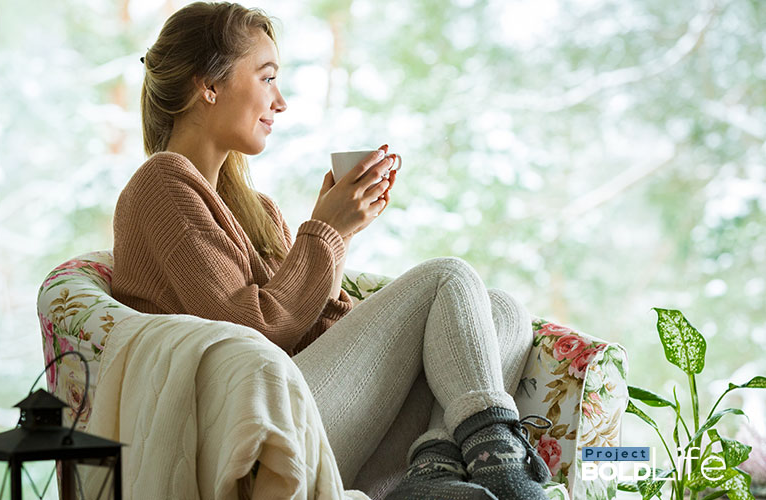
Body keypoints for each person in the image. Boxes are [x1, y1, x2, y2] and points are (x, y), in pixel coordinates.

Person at [112, 2, 552, 499]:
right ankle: (508, 478)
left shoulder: (256, 208)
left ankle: (432, 476)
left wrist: (337, 235)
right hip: (246, 437)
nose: (280, 102)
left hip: (307, 414)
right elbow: (252, 333)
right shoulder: (161, 185)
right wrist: (326, 231)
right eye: (267, 77)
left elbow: (313, 329)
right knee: (447, 277)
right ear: (207, 85)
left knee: (502, 312)